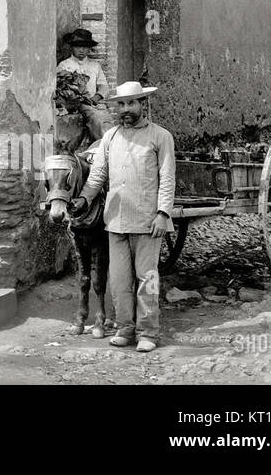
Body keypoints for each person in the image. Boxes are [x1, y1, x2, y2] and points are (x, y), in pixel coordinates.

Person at [71, 81, 175, 353]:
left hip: (147, 222)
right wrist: (84, 198)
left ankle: (148, 332)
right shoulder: (111, 137)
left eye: (131, 103)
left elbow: (167, 178)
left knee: (147, 279)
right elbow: (97, 176)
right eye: (121, 104)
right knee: (118, 282)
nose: (126, 109)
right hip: (115, 222)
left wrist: (163, 213)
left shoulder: (160, 137)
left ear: (143, 104)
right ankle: (125, 328)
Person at [57, 28, 112, 140]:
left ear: (89, 48)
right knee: (94, 117)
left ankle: (111, 146)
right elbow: (58, 88)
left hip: (92, 102)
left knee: (107, 120)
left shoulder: (95, 65)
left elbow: (104, 86)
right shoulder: (64, 65)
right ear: (72, 47)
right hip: (74, 104)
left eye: (85, 47)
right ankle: (104, 147)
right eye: (78, 46)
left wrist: (96, 97)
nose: (81, 50)